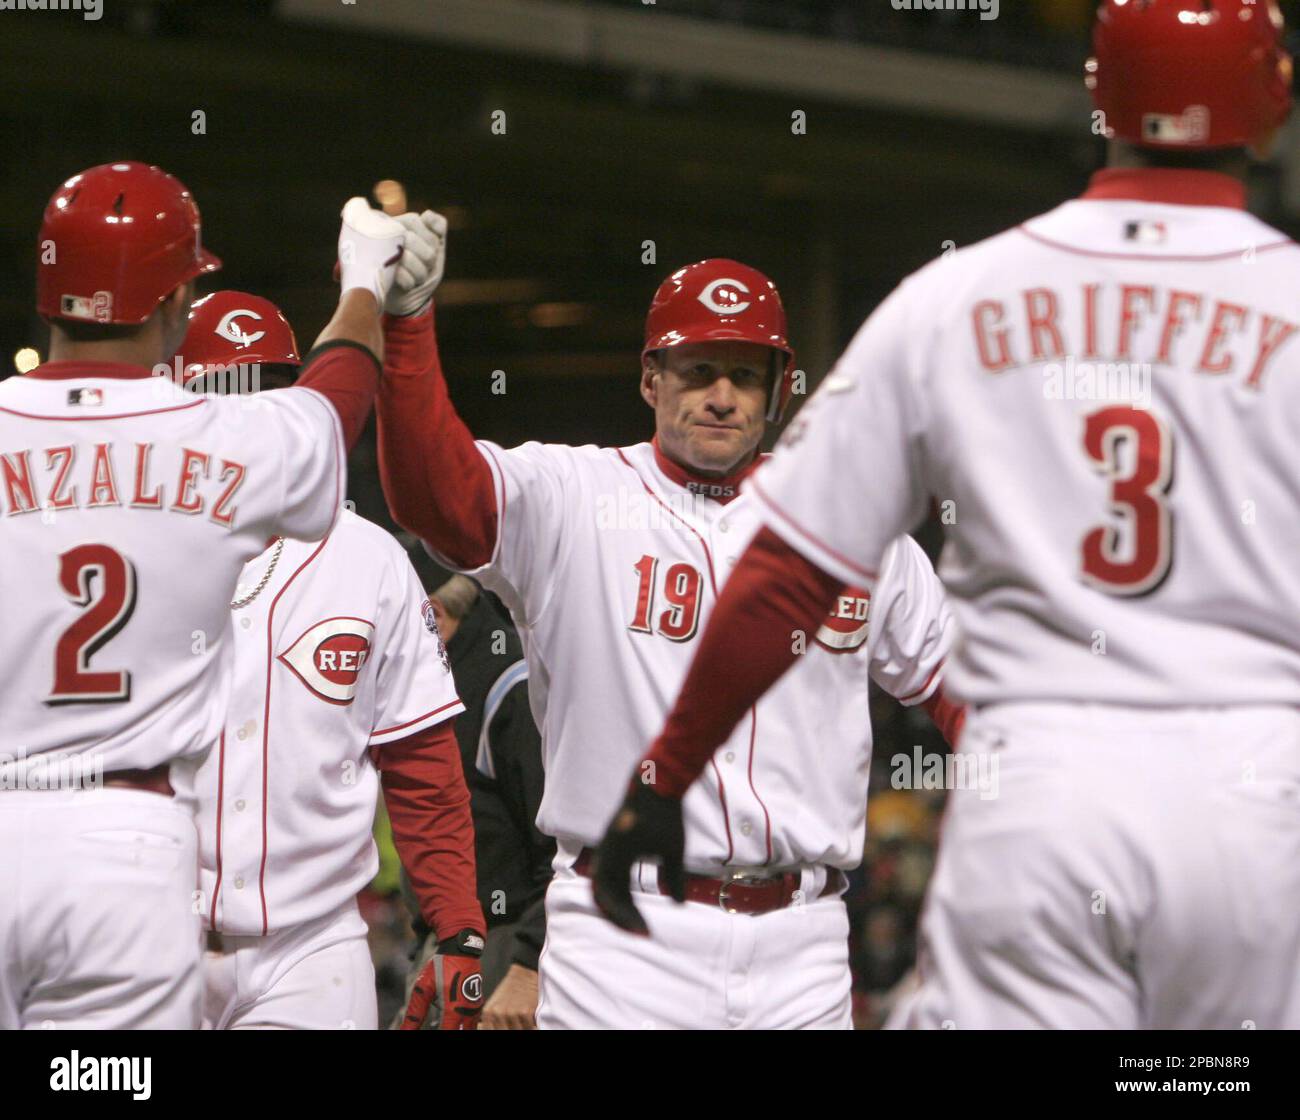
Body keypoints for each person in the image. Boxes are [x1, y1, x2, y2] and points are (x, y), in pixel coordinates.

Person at [594, 0, 1300, 1031]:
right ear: (1272, 111)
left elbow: (790, 571)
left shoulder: (957, 295)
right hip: (1255, 793)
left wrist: (664, 776)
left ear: (1097, 104)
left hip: (1044, 801)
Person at [373, 212, 960, 1029]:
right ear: (651, 379)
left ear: (779, 386)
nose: (722, 396)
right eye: (699, 370)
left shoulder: (850, 525)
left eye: (746, 375)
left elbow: (965, 692)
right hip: (624, 939)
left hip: (807, 938)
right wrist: (405, 333)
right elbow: (435, 498)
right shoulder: (572, 497)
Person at [0, 161, 403, 1028]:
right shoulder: (216, 438)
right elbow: (336, 401)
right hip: (125, 843)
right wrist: (365, 276)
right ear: (177, 305)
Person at [179, 291, 486, 1031]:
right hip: (147, 941)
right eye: (221, 393)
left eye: (271, 391)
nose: (248, 414)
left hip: (310, 951)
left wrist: (459, 926)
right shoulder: (133, 541)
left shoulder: (367, 558)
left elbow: (420, 761)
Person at [394, 575, 552, 1031]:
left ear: (435, 616)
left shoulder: (509, 685)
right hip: (447, 939)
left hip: (502, 945)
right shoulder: (436, 680)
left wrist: (528, 959)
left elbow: (560, 846)